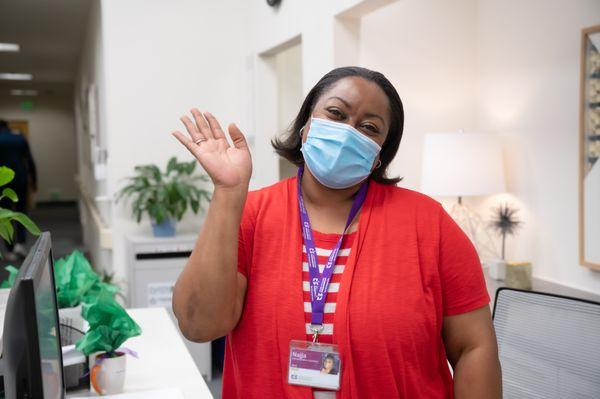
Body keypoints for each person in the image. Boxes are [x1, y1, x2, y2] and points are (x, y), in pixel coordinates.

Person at [172, 66, 502, 398]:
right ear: (305, 128)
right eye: (336, 113)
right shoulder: (251, 215)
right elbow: (199, 325)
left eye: (369, 127)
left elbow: (474, 347)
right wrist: (228, 193)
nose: (348, 131)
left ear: (378, 155)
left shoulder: (429, 224)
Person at [0, 119, 37, 261]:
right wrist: (34, 180)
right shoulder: (20, 138)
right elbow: (29, 160)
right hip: (21, 180)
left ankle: (10, 249)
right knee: (21, 212)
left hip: (2, 183)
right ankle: (21, 244)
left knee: (5, 215)